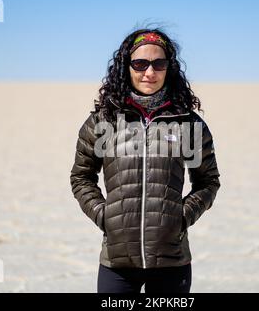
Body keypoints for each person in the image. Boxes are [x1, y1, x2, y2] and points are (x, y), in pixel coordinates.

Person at [70, 28, 221, 293]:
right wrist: (105, 216)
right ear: (126, 67)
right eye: (140, 64)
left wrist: (181, 218)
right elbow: (81, 177)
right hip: (117, 261)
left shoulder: (187, 124)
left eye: (158, 63)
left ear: (169, 68)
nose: (149, 72)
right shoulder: (103, 121)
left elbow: (207, 181)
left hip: (171, 261)